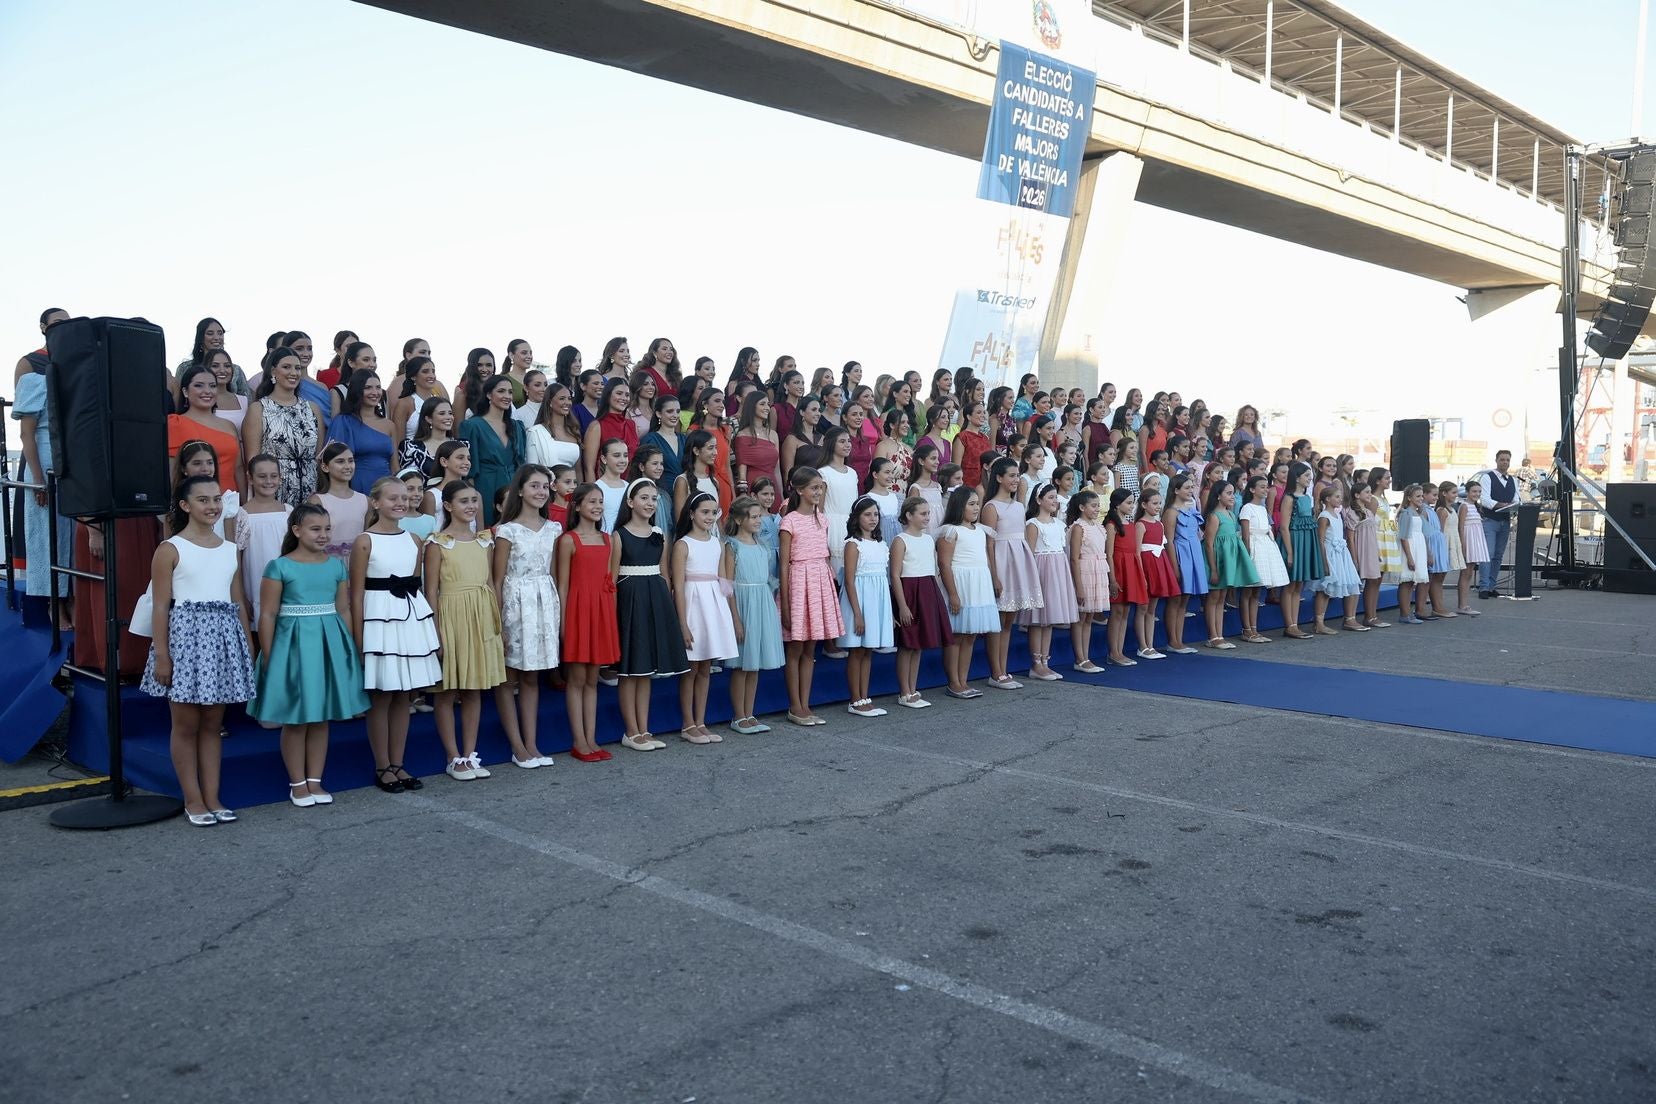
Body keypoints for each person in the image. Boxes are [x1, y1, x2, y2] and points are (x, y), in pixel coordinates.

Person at [140, 475, 256, 827]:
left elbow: (237, 600)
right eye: (203, 500)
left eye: (217, 499)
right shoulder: (170, 549)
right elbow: (160, 607)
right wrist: (162, 655)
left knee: (212, 722)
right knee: (186, 723)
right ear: (186, 506)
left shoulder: (228, 549)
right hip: (185, 641)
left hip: (221, 640)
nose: (213, 506)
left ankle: (213, 795)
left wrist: (247, 648)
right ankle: (193, 798)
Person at [253, 501, 369, 807]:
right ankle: (297, 782)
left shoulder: (335, 565)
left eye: (327, 529)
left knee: (321, 717)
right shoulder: (279, 566)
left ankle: (315, 780)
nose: (323, 535)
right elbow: (267, 614)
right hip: (293, 646)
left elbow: (343, 609)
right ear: (296, 530)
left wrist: (349, 647)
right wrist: (269, 654)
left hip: (328, 643)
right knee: (297, 717)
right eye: (315, 529)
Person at [350, 479, 439, 793]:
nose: (401, 502)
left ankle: (398, 763)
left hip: (408, 619)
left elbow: (416, 584)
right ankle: (382, 765)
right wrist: (360, 639)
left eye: (406, 497)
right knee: (382, 695)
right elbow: (356, 594)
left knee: (404, 695)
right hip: (378, 620)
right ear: (375, 503)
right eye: (393, 498)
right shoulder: (364, 541)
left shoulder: (415, 540)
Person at [425, 481, 506, 780]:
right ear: (447, 506)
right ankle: (452, 755)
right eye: (463, 501)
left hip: (480, 615)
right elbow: (431, 590)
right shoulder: (436, 543)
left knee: (474, 688)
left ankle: (470, 754)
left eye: (474, 500)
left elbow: (489, 584)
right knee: (448, 691)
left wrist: (496, 623)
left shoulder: (485, 541)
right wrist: (435, 631)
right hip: (451, 614)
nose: (471, 506)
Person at [492, 465, 562, 769]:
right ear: (520, 490)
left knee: (532, 676)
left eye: (545, 487)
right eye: (534, 486)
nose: (540, 492)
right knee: (509, 677)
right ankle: (517, 745)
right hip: (515, 603)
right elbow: (497, 579)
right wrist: (499, 623)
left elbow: (556, 573)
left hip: (544, 600)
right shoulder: (507, 530)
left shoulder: (554, 528)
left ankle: (532, 743)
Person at [611, 479, 688, 749]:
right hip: (630, 601)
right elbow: (611, 580)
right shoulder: (619, 535)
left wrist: (666, 606)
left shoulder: (660, 535)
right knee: (629, 670)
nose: (650, 503)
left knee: (645, 671)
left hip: (654, 597)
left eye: (654, 499)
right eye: (644, 497)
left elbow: (665, 573)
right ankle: (630, 731)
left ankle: (644, 728)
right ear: (630, 502)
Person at [556, 484, 619, 762]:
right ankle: (578, 741)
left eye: (600, 501)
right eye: (591, 501)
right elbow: (563, 586)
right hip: (578, 611)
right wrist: (562, 623)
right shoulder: (568, 540)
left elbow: (609, 582)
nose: (597, 506)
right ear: (577, 505)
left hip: (601, 611)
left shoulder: (608, 539)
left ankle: (591, 738)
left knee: (592, 679)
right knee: (577, 679)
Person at [778, 467, 843, 725]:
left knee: (810, 647)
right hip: (799, 582)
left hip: (819, 580)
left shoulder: (822, 519)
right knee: (795, 648)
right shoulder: (789, 520)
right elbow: (783, 564)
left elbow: (824, 554)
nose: (818, 492)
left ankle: (806, 704)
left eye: (820, 487)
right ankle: (795, 706)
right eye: (813, 487)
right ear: (799, 489)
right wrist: (784, 603)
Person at [673, 491, 739, 743]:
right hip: (693, 607)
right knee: (691, 669)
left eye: (713, 512)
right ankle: (687, 724)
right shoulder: (683, 545)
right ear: (691, 514)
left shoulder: (718, 544)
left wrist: (729, 618)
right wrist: (682, 623)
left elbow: (723, 582)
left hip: (713, 607)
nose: (710, 517)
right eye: (704, 512)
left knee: (705, 669)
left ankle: (700, 721)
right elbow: (678, 586)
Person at [10, 350, 71, 623]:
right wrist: (37, 479)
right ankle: (53, 605)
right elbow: (26, 433)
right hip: (43, 461)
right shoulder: (34, 378)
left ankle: (72, 599)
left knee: (71, 533)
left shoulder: (75, 377)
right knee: (48, 535)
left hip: (72, 461)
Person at [723, 496, 783, 735]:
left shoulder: (763, 546)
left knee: (754, 664)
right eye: (754, 517)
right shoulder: (732, 546)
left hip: (761, 603)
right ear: (739, 519)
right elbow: (727, 585)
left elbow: (767, 579)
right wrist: (735, 618)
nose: (759, 520)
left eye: (760, 516)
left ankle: (750, 712)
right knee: (741, 665)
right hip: (743, 604)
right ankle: (739, 716)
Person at [982, 457, 1039, 690]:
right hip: (1001, 563)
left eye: (1017, 475)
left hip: (1018, 561)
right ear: (999, 478)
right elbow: (989, 545)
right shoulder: (991, 507)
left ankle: (1003, 670)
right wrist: (994, 576)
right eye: (1012, 476)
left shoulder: (1018, 506)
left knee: (1009, 620)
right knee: (998, 620)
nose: (1016, 480)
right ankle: (995, 672)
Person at [245, 347, 324, 509]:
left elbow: (318, 456)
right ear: (274, 371)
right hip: (273, 490)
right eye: (286, 367)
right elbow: (252, 460)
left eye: (297, 368)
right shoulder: (259, 408)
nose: (294, 372)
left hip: (310, 489)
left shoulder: (312, 409)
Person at [890, 495, 949, 708]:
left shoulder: (928, 539)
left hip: (927, 589)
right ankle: (904, 692)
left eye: (928, 513)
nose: (927, 517)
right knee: (907, 644)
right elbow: (895, 575)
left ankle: (913, 688)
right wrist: (903, 605)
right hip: (909, 592)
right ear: (909, 515)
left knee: (919, 645)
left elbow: (932, 568)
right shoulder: (900, 540)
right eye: (923, 514)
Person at [838, 497, 894, 718]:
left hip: (876, 601)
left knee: (868, 650)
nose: (873, 519)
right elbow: (850, 581)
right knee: (857, 650)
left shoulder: (881, 544)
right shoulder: (854, 544)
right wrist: (858, 615)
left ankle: (865, 696)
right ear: (856, 518)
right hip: (858, 602)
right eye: (867, 515)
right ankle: (855, 699)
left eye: (876, 515)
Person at [1018, 483, 1077, 682]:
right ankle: (1036, 664)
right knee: (1038, 619)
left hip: (1057, 570)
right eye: (1050, 497)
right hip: (1041, 571)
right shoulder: (1033, 524)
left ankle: (1045, 661)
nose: (1054, 501)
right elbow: (1030, 553)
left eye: (1055, 498)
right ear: (1038, 500)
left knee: (1049, 619)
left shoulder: (1059, 525)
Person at [171, 364, 244, 493]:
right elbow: (173, 473)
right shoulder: (175, 423)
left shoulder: (229, 426)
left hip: (230, 503)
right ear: (185, 391)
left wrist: (244, 505)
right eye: (199, 385)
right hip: (194, 504)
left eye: (212, 386)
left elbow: (238, 469)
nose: (207, 391)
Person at [236, 455, 291, 623]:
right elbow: (236, 557)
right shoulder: (241, 515)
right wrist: (240, 594)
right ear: (250, 478)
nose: (268, 481)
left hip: (287, 586)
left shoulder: (288, 512)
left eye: (273, 476)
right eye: (262, 476)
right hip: (255, 584)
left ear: (280, 478)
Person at [1200, 481, 1254, 649]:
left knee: (1222, 597)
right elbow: (1209, 544)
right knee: (1213, 597)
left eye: (1233, 493)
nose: (1233, 497)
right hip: (1216, 560)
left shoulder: (1230, 515)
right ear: (1218, 495)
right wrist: (1213, 569)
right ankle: (1213, 636)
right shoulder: (1214, 516)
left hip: (1227, 560)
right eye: (1229, 493)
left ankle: (1220, 634)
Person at [327, 369, 398, 494]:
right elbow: (332, 462)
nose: (375, 392)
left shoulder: (389, 425)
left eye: (378, 387)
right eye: (368, 388)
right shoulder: (343, 421)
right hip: (355, 487)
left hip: (386, 490)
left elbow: (395, 466)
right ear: (357, 390)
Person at [1309, 484, 1365, 635]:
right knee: (1325, 588)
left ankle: (1350, 618)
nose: (1340, 499)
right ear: (1327, 499)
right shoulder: (1324, 517)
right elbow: (1320, 540)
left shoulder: (1337, 515)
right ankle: (1318, 623)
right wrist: (1324, 562)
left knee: (1351, 582)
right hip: (1330, 554)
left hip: (1341, 553)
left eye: (1340, 496)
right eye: (1337, 497)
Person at [1276, 461, 1322, 639]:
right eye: (1306, 476)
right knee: (1290, 585)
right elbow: (1284, 527)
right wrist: (1290, 552)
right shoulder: (1289, 498)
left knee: (1299, 585)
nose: (1310, 479)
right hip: (1294, 541)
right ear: (1297, 477)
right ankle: (1290, 624)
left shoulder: (1306, 497)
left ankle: (1295, 623)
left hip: (1306, 540)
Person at [1065, 490, 1109, 673]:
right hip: (1085, 572)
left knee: (1089, 616)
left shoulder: (1099, 526)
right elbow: (1074, 558)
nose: (1097, 509)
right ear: (1082, 507)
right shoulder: (1078, 527)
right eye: (1093, 505)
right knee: (1081, 617)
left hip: (1098, 571)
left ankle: (1086, 656)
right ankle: (1080, 658)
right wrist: (1079, 587)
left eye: (1098, 505)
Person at [1103, 489, 1146, 666]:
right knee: (1117, 611)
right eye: (1128, 502)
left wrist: (1140, 575)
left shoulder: (1130, 524)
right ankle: (1113, 652)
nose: (1131, 506)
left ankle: (1119, 651)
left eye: (1132, 502)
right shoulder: (1112, 525)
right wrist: (1112, 579)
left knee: (1126, 611)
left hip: (1130, 568)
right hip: (1119, 569)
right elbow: (1109, 554)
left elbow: (1136, 552)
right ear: (1117, 503)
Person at [1164, 474, 1206, 655]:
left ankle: (1179, 639)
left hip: (1193, 552)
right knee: (1175, 599)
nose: (1190, 491)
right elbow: (1169, 541)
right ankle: (1172, 641)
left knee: (1185, 599)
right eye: (1187, 488)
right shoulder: (1171, 512)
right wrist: (1175, 566)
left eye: (1191, 487)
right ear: (1176, 490)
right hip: (1180, 554)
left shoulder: (1190, 510)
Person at [1136, 488, 1178, 659]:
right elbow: (1137, 552)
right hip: (1146, 566)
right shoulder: (1140, 524)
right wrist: (1141, 575)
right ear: (1144, 505)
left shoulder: (1159, 524)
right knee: (1142, 607)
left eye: (1159, 503)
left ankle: (1150, 645)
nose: (1158, 506)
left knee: (1152, 608)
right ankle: (1142, 646)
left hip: (1158, 564)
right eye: (1154, 503)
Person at [309, 443, 366, 563]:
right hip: (328, 565)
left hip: (358, 565)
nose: (347, 466)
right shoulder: (318, 501)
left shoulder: (365, 501)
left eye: (350, 461)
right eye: (340, 461)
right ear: (325, 467)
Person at [1476, 449, 1518, 598]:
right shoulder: (1488, 478)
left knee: (1498, 555)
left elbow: (1516, 499)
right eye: (1502, 459)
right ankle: (1483, 587)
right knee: (1488, 554)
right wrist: (1503, 505)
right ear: (1496, 460)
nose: (1505, 462)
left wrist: (1514, 505)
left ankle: (1492, 585)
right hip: (1490, 521)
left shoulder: (1513, 480)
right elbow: (1485, 500)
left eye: (1507, 460)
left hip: (1505, 522)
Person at [525, 382, 584, 476]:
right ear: (550, 402)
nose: (567, 402)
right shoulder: (536, 432)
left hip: (571, 488)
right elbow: (532, 471)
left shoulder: (573, 431)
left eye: (569, 399)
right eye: (562, 398)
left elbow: (578, 472)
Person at [1393, 484, 1431, 624]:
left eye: (1422, 496)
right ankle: (1404, 613)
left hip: (1418, 547)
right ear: (1409, 498)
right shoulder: (1406, 513)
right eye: (1418, 496)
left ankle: (1408, 612)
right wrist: (1409, 557)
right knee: (1407, 581)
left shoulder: (1418, 512)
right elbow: (1403, 537)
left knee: (1412, 582)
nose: (1421, 498)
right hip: (1410, 548)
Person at [401, 397, 458, 481]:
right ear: (429, 419)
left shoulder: (462, 445)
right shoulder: (411, 448)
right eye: (442, 413)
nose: (448, 417)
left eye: (450, 413)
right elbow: (408, 481)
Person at [1458, 480, 1490, 616]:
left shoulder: (1476, 506)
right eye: (1474, 491)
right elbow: (1461, 527)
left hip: (1475, 540)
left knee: (1469, 572)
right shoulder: (1464, 506)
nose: (1477, 494)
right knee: (1465, 573)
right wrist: (1463, 545)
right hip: (1468, 541)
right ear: (1467, 492)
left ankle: (1465, 604)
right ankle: (1462, 605)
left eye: (1479, 492)